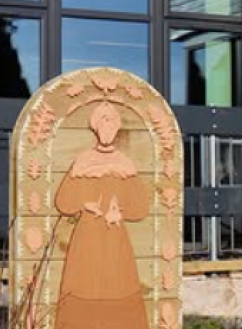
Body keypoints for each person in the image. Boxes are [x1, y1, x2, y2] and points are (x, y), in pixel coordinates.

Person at [53, 101, 150, 329]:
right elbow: (63, 201)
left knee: (118, 285)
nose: (108, 129)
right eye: (103, 124)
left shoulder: (125, 164)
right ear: (96, 127)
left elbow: (141, 207)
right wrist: (84, 204)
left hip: (115, 240)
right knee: (84, 285)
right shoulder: (83, 161)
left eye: (112, 124)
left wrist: (120, 211)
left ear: (117, 128)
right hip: (87, 239)